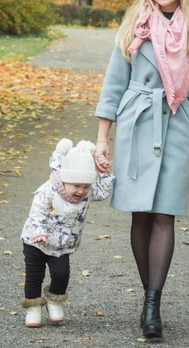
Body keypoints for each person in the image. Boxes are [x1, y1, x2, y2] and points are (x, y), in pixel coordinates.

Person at [94, 0, 189, 341]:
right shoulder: (134, 25)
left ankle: (153, 305)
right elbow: (114, 83)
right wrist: (103, 137)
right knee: (140, 217)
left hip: (178, 125)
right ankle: (148, 295)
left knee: (164, 215)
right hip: (137, 124)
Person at [20, 138, 114, 328]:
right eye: (76, 186)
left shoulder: (87, 191)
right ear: (64, 179)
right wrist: (40, 232)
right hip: (36, 241)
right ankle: (33, 308)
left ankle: (54, 300)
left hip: (62, 246)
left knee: (61, 274)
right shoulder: (47, 191)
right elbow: (36, 213)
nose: (81, 191)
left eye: (86, 186)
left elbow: (103, 192)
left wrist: (103, 172)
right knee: (34, 276)